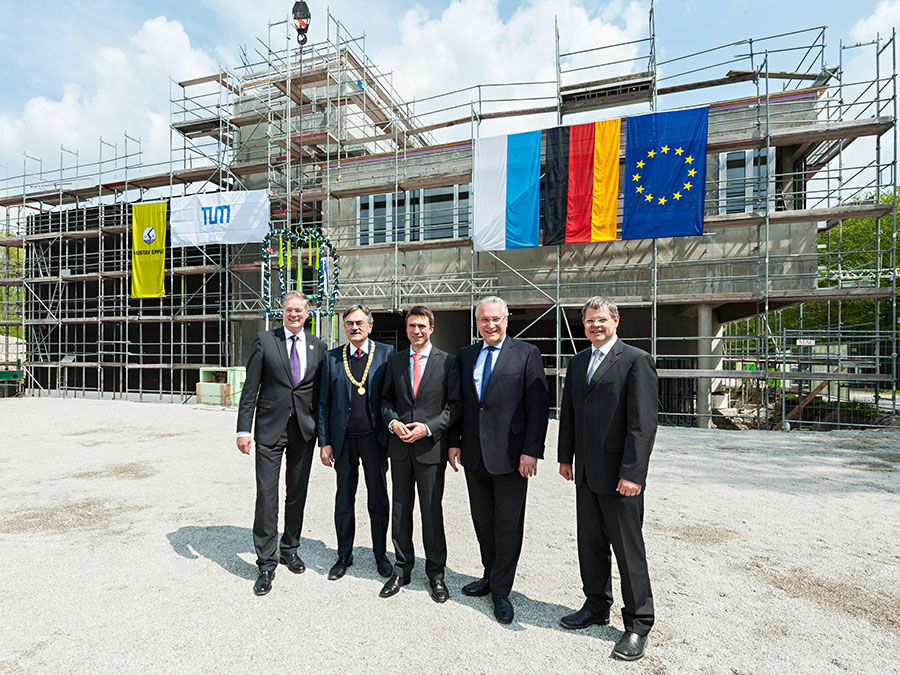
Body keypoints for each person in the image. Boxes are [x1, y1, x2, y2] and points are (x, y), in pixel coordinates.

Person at [557, 296, 658, 661]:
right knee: (591, 544)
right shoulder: (578, 361)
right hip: (586, 473)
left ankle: (638, 623)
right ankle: (596, 604)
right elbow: (570, 412)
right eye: (589, 321)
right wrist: (565, 456)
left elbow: (643, 424)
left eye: (601, 319)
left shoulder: (635, 361)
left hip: (620, 478)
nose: (595, 325)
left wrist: (633, 473)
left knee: (628, 551)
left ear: (616, 320)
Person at [448, 296, 548, 624]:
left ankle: (502, 590)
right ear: (477, 322)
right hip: (474, 453)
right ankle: (489, 575)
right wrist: (453, 443)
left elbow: (537, 407)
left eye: (496, 319)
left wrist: (531, 451)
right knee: (482, 520)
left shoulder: (527, 354)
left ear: (506, 320)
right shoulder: (466, 355)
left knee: (507, 524)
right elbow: (460, 404)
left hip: (511, 456)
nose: (490, 325)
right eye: (484, 320)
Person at [236, 291, 327, 596]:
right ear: (282, 312)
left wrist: (324, 436)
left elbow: (321, 395)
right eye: (289, 309)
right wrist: (243, 430)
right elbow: (251, 387)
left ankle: (290, 548)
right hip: (269, 428)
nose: (294, 314)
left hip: (303, 430)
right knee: (267, 495)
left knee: (297, 493)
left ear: (307, 314)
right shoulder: (265, 341)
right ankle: (266, 563)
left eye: (299, 310)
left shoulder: (318, 346)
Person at [379, 306, 461, 603]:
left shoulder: (448, 362)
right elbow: (385, 400)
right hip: (400, 449)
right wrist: (392, 422)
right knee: (400, 512)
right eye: (412, 325)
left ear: (431, 328)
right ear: (406, 329)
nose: (416, 331)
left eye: (422, 326)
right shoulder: (395, 360)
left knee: (431, 512)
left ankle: (436, 574)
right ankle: (402, 569)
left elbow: (455, 406)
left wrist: (428, 428)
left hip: (430, 450)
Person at [317, 304, 394, 580]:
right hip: (343, 440)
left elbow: (393, 396)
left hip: (375, 439)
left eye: (360, 322)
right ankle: (343, 554)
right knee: (344, 499)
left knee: (378, 499)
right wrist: (324, 442)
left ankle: (380, 554)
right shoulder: (332, 358)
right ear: (344, 327)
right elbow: (323, 403)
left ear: (370, 326)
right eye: (349, 323)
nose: (354, 327)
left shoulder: (386, 353)